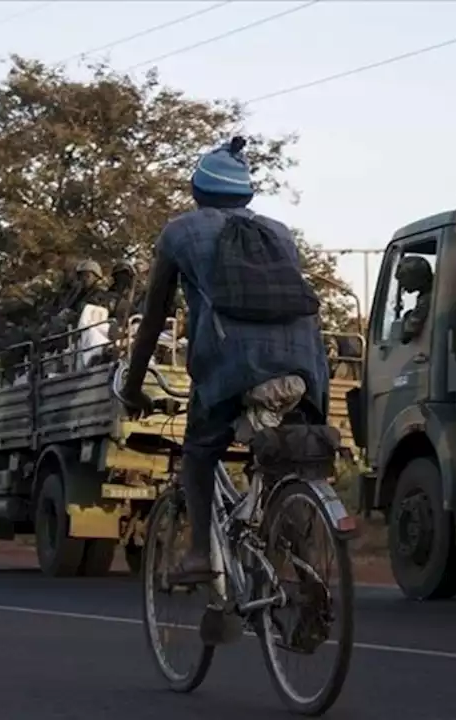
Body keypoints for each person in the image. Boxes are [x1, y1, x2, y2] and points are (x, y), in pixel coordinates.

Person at [117, 137, 329, 585]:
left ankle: (198, 554)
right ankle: (308, 565)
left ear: (197, 192)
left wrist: (134, 387)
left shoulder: (180, 233)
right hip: (303, 365)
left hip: (233, 367)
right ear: (248, 195)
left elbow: (154, 317)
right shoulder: (280, 233)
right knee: (285, 461)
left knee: (199, 453)